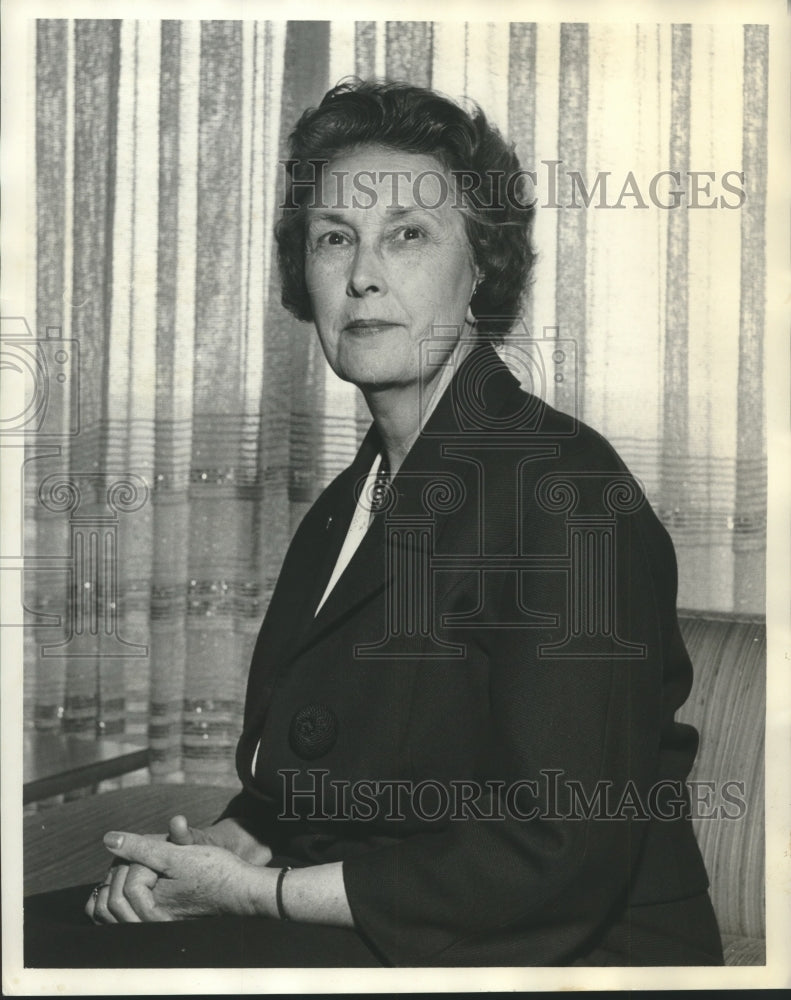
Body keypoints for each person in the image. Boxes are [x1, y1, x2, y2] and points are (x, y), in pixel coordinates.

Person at [25, 79, 724, 968]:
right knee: (37, 936)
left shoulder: (566, 492)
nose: (361, 274)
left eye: (407, 234)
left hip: (556, 956)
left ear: (482, 270)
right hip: (382, 922)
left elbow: (557, 847)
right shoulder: (346, 505)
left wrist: (258, 892)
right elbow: (324, 781)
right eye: (332, 239)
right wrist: (228, 846)